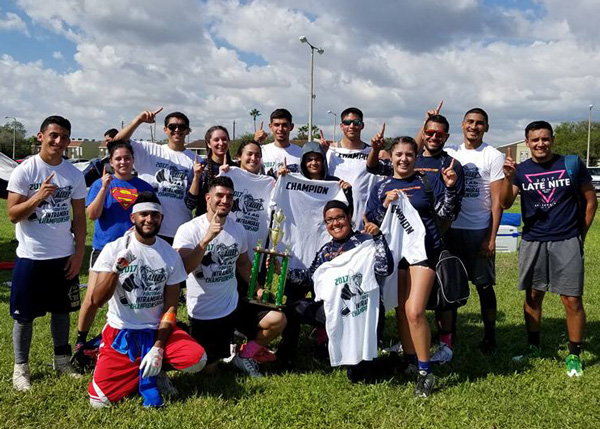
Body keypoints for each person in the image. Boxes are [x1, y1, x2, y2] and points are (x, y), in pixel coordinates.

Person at [88, 192, 206, 408]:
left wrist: (158, 348)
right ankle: (133, 367)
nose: (149, 219)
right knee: (99, 402)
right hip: (122, 330)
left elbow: (170, 306)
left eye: (155, 215)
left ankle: (155, 370)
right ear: (133, 217)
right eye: (143, 214)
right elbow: (97, 299)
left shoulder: (169, 254)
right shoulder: (115, 248)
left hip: (156, 331)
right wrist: (116, 270)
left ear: (161, 219)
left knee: (197, 359)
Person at [500, 121, 597, 377]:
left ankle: (574, 355)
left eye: (545, 139)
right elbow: (504, 201)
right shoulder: (520, 170)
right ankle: (534, 348)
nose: (540, 144)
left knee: (572, 298)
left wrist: (580, 235)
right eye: (535, 140)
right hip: (533, 240)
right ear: (527, 142)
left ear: (552, 140)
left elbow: (590, 201)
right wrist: (509, 177)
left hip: (566, 239)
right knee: (533, 296)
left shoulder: (571, 164)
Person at [367, 114, 465, 363]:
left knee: (414, 311)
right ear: (391, 156)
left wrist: (451, 188)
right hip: (396, 256)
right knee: (401, 312)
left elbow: (446, 213)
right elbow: (373, 223)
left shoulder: (425, 183)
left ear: (415, 157)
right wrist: (386, 205)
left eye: (409, 154)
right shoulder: (381, 187)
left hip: (425, 253)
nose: (403, 159)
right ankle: (409, 360)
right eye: (398, 154)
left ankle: (425, 369)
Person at [173, 176, 286, 378]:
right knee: (208, 371)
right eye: (220, 195)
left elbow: (242, 263)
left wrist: (258, 288)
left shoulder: (237, 229)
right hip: (204, 312)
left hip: (233, 305)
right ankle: (225, 350)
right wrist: (206, 239)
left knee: (277, 319)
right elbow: (183, 269)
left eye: (229, 196)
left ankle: (244, 355)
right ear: (208, 198)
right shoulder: (188, 230)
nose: (225, 200)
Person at [7, 115, 87, 391]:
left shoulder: (74, 174)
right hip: (31, 256)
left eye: (64, 136)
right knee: (24, 315)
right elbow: (13, 215)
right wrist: (38, 197)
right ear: (40, 136)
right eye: (53, 135)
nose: (58, 141)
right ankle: (21, 367)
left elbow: (79, 216)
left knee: (62, 311)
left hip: (63, 255)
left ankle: (62, 360)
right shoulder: (25, 171)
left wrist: (78, 254)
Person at [278, 200, 393, 380]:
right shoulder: (326, 250)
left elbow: (385, 269)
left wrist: (378, 237)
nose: (335, 223)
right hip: (334, 311)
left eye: (339, 217)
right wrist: (282, 271)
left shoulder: (366, 242)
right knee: (291, 309)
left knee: (360, 376)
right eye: (329, 220)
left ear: (349, 217)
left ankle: (392, 362)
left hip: (361, 312)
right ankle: (286, 359)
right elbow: (311, 277)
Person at [73, 140, 155, 370]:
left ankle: (127, 340)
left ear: (133, 160)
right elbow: (92, 214)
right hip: (104, 249)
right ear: (111, 162)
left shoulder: (143, 187)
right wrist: (104, 188)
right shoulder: (101, 184)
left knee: (132, 297)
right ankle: (81, 340)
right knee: (92, 298)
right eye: (118, 159)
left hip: (133, 251)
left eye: (127, 158)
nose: (123, 162)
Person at [442, 108, 504, 354]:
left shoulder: (493, 155)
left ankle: (490, 336)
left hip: (478, 230)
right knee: (450, 286)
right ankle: (449, 335)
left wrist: (491, 237)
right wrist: (427, 122)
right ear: (462, 124)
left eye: (480, 123)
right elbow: (418, 149)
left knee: (484, 286)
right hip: (452, 230)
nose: (474, 126)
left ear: (486, 127)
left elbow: (498, 202)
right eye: (470, 122)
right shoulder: (450, 153)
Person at [114, 108, 196, 243]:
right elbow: (116, 143)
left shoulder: (195, 159)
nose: (177, 130)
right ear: (165, 130)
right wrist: (139, 120)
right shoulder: (150, 150)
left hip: (180, 230)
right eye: (172, 126)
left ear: (187, 130)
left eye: (181, 127)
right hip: (148, 227)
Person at [325, 107, 379, 228]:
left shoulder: (372, 153)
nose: (352, 126)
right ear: (341, 125)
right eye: (347, 122)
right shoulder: (330, 152)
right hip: (335, 222)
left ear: (362, 125)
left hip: (363, 222)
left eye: (356, 122)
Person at [186, 125, 235, 217]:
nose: (221, 143)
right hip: (204, 223)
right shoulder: (201, 168)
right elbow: (190, 204)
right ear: (208, 144)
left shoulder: (236, 169)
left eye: (224, 139)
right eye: (216, 140)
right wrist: (196, 177)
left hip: (230, 224)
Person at [254, 109, 302, 175]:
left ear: (291, 127)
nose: (280, 129)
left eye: (284, 125)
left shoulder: (301, 153)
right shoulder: (262, 151)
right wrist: (255, 142)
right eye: (276, 125)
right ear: (270, 127)